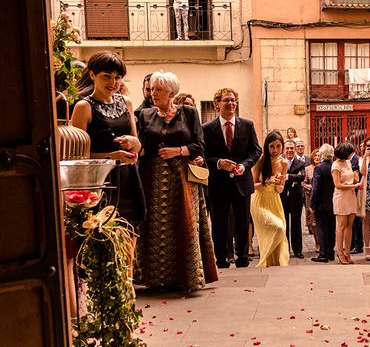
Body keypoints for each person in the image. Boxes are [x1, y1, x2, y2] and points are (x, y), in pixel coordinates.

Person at [136, 71, 217, 292]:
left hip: (182, 179)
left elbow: (199, 144)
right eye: (152, 89)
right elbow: (143, 147)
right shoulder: (144, 115)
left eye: (158, 90)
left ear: (171, 92)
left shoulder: (189, 113)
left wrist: (178, 151)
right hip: (153, 179)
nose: (153, 94)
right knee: (156, 227)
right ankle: (157, 279)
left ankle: (187, 278)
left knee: (185, 222)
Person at [70, 51, 145, 229]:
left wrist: (134, 144)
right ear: (92, 75)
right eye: (106, 76)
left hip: (130, 180)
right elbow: (77, 157)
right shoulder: (83, 107)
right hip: (100, 184)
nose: (113, 83)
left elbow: (139, 146)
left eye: (118, 77)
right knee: (103, 240)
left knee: (131, 234)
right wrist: (111, 157)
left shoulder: (126, 102)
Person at [203, 87, 262, 268]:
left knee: (243, 222)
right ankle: (221, 259)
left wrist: (244, 166)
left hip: (241, 182)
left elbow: (256, 151)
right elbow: (203, 154)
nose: (230, 104)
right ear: (217, 104)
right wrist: (219, 163)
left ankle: (242, 257)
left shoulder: (247, 125)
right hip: (218, 184)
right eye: (226, 100)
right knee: (219, 223)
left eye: (233, 100)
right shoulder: (207, 128)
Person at [250, 130, 289, 268]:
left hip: (274, 200)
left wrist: (279, 184)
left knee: (280, 231)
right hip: (259, 200)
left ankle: (276, 264)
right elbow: (253, 185)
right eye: (272, 146)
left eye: (278, 146)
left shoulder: (284, 163)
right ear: (267, 146)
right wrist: (269, 181)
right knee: (277, 227)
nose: (275, 150)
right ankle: (265, 261)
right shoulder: (260, 161)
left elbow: (280, 190)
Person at [332, 142, 358, 265]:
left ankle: (347, 252)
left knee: (349, 225)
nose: (351, 154)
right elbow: (337, 185)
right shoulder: (336, 165)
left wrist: (356, 178)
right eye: (350, 152)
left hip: (351, 196)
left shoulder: (348, 162)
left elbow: (351, 177)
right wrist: (354, 185)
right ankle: (340, 252)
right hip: (341, 197)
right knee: (341, 226)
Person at [310, 144, 336, 263]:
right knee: (331, 228)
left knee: (321, 229)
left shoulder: (319, 168)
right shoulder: (334, 166)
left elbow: (316, 188)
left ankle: (323, 254)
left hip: (321, 203)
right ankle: (330, 253)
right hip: (333, 203)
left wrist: (312, 205)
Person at [281, 139, 306, 258]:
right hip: (282, 198)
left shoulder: (300, 163)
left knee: (296, 224)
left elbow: (301, 177)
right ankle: (285, 250)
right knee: (284, 224)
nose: (290, 150)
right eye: (287, 148)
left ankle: (298, 250)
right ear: (284, 150)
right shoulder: (279, 162)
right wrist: (292, 179)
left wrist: (287, 177)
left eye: (292, 148)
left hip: (296, 197)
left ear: (295, 149)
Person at [302, 149, 321, 252]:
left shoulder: (323, 168)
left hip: (321, 198)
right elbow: (303, 182)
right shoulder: (307, 169)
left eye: (319, 156)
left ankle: (322, 242)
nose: (317, 157)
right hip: (311, 197)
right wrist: (311, 187)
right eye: (315, 156)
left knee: (321, 221)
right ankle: (317, 242)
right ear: (312, 157)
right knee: (313, 222)